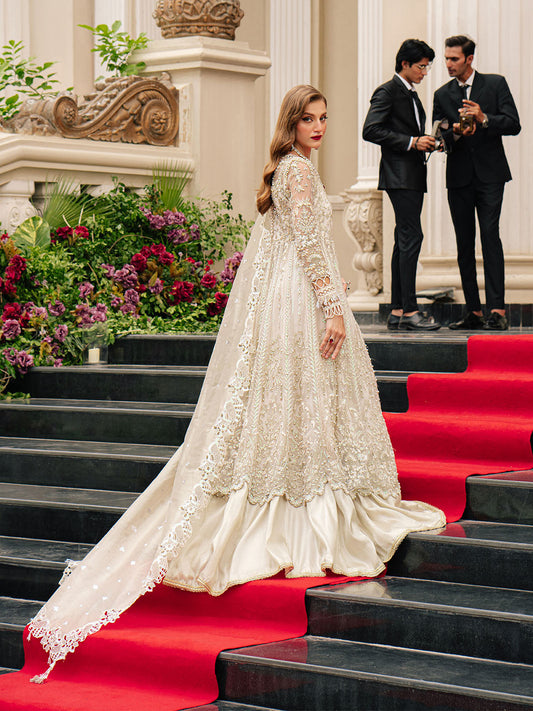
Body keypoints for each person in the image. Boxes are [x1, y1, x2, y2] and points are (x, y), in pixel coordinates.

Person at [27, 85, 445, 683]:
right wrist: (333, 308)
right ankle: (303, 500)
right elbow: (311, 247)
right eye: (309, 118)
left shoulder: (286, 169)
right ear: (291, 123)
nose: (319, 127)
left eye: (324, 118)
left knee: (294, 399)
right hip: (302, 300)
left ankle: (295, 484)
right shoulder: (297, 171)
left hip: (283, 300)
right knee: (305, 394)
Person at [433, 35, 521, 330]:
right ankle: (473, 311)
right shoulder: (442, 94)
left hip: (491, 175)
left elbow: (514, 124)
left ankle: (497, 310)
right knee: (464, 243)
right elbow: (439, 138)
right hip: (458, 177)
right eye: (446, 58)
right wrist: (455, 132)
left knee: (490, 236)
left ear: (469, 59)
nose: (448, 64)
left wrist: (484, 118)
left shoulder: (495, 84)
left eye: (454, 59)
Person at [363, 39, 441, 331]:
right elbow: (371, 129)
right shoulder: (388, 91)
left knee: (404, 240)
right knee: (412, 237)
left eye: (427, 67)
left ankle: (397, 310)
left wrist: (427, 142)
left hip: (411, 174)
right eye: (421, 66)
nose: (425, 72)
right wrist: (411, 142)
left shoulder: (411, 94)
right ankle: (409, 310)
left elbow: (407, 132)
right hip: (400, 176)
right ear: (405, 64)